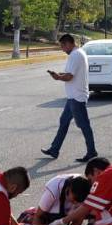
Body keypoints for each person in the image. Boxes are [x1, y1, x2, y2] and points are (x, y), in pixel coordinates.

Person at [41, 34, 97, 163]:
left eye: (62, 46)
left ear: (68, 44)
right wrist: (59, 74)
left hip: (77, 97)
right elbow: (70, 73)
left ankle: (92, 152)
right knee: (64, 121)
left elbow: (69, 77)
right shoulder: (79, 53)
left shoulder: (75, 55)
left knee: (84, 125)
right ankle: (54, 149)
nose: (62, 49)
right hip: (74, 96)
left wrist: (58, 77)